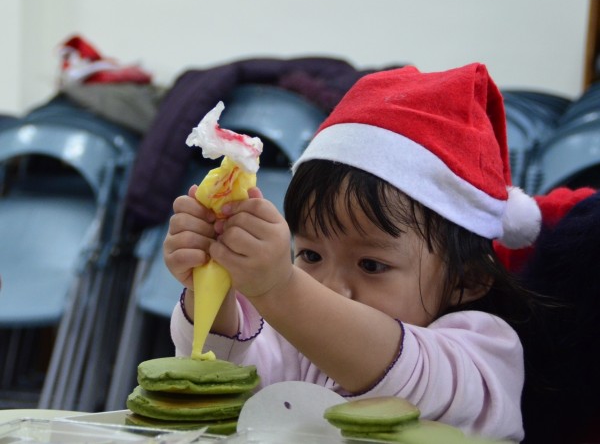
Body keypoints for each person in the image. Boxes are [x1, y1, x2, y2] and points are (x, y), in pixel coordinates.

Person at [165, 63, 544, 442]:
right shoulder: (297, 339)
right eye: (311, 255)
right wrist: (211, 284)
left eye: (371, 264)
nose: (330, 287)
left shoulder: (486, 350)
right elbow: (233, 381)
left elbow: (410, 377)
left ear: (468, 278)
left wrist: (280, 288)